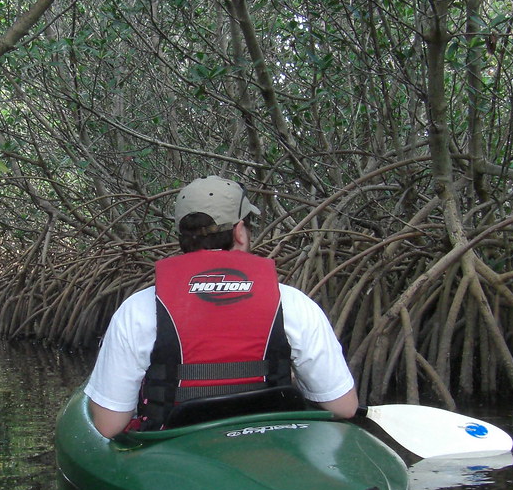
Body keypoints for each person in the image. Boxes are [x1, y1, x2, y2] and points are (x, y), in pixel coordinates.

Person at [85, 175, 358, 438]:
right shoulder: (293, 303)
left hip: (173, 451)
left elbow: (109, 425)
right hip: (272, 451)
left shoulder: (138, 309)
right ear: (240, 232)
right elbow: (343, 407)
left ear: (182, 236)